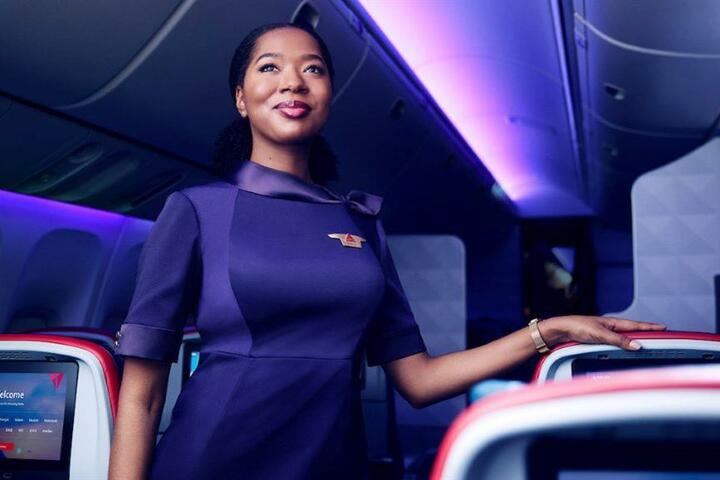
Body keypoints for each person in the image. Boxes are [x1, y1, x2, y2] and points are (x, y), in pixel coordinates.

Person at [107, 22, 666, 480]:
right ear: (240, 98)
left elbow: (418, 381)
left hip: (334, 462)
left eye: (314, 69)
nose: (294, 82)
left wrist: (549, 331)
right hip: (212, 459)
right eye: (270, 67)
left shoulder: (359, 221)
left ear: (329, 95)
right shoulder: (197, 210)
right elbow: (142, 396)